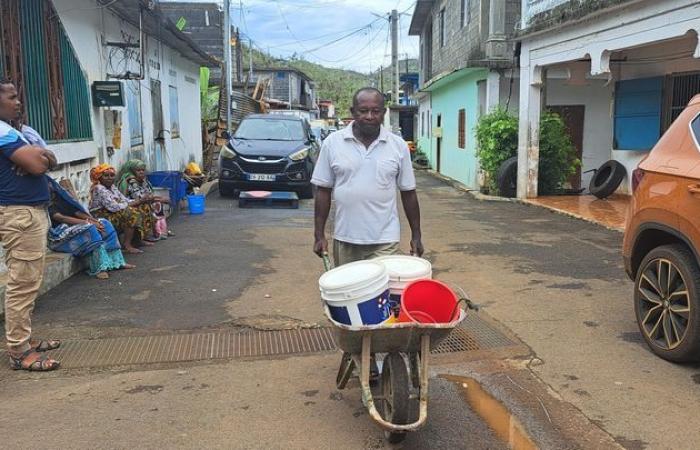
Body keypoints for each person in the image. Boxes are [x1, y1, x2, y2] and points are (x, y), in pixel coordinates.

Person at [312, 87, 423, 267]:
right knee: (348, 293)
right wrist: (319, 235)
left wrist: (416, 236)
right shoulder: (332, 143)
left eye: (376, 111)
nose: (370, 116)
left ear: (383, 113)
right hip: (345, 239)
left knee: (381, 292)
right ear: (353, 112)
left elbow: (408, 193)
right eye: (363, 111)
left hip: (385, 240)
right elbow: (323, 191)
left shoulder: (398, 146)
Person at [0, 78, 61, 371]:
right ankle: (18, 350)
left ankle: (24, 339)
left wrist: (43, 156)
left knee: (29, 280)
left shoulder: (13, 131)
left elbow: (49, 158)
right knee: (22, 283)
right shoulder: (2, 131)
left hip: (27, 212)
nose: (18, 101)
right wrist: (42, 157)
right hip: (18, 214)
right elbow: (39, 163)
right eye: (11, 97)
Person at [48, 178, 135, 279]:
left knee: (105, 223)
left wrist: (94, 221)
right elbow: (61, 218)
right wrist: (88, 223)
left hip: (74, 226)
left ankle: (117, 261)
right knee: (90, 229)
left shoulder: (62, 201)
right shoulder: (47, 205)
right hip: (59, 234)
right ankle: (100, 267)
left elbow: (78, 213)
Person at [89, 163, 151, 254]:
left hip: (112, 211)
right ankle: (127, 245)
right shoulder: (99, 188)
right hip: (101, 215)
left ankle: (138, 239)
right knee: (131, 213)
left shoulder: (112, 187)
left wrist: (140, 200)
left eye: (112, 175)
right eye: (106, 176)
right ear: (100, 177)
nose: (109, 178)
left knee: (143, 207)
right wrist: (135, 202)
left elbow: (124, 199)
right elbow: (114, 207)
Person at [117, 159, 171, 241]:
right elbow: (140, 197)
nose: (141, 172)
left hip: (142, 201)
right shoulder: (130, 181)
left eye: (143, 170)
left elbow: (148, 194)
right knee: (148, 206)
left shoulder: (143, 180)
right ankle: (146, 236)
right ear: (132, 171)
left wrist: (158, 199)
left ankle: (160, 231)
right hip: (132, 204)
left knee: (157, 204)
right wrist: (159, 199)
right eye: (138, 170)